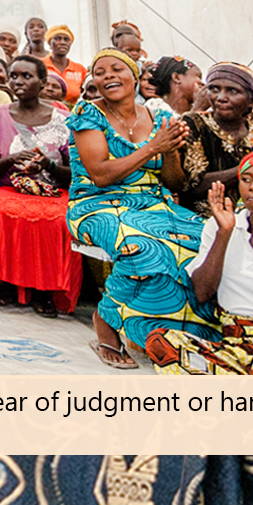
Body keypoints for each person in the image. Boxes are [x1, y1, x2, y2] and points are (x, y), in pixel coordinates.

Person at [65, 48, 216, 368]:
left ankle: (173, 332)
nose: (107, 76)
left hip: (154, 203)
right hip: (97, 204)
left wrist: (171, 150)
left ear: (135, 76)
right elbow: (101, 175)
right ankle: (105, 320)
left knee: (206, 240)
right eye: (100, 72)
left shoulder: (160, 118)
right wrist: (153, 147)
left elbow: (174, 183)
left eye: (116, 69)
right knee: (145, 246)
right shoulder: (88, 114)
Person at [145, 151, 253, 374]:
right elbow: (202, 292)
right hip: (232, 347)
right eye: (246, 179)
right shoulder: (220, 225)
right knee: (163, 341)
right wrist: (224, 233)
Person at [0, 55, 80, 317]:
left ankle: (44, 290)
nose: (18, 81)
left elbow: (75, 173)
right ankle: (6, 283)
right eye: (14, 76)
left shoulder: (64, 119)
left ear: (43, 82)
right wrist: (10, 159)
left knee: (59, 219)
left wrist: (48, 166)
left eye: (26, 76)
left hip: (52, 190)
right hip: (10, 187)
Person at [175, 62, 253, 218]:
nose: (221, 98)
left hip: (252, 219)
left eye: (233, 91)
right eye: (214, 89)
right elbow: (195, 187)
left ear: (251, 100)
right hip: (200, 218)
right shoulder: (194, 123)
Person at [43, 25, 85, 103]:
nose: (62, 42)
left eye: (66, 39)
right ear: (49, 43)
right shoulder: (39, 65)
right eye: (57, 39)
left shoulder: (80, 69)